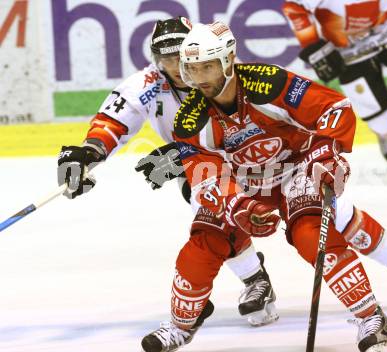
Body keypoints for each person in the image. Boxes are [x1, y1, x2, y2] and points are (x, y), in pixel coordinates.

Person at [141, 21, 387, 352]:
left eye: (207, 67)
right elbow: (204, 172)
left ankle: (374, 318)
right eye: (192, 70)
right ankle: (182, 325)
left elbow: (333, 108)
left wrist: (327, 152)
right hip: (245, 182)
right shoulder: (190, 118)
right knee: (205, 239)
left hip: (298, 168)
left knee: (313, 231)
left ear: (228, 60)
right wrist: (238, 205)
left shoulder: (268, 82)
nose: (200, 79)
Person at [56, 17, 279, 329]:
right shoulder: (149, 83)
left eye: (180, 56)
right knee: (208, 207)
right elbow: (115, 120)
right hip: (202, 165)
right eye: (166, 59)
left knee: (308, 220)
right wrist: (89, 153)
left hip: (261, 156)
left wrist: (180, 152)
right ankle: (256, 280)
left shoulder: (221, 72)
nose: (175, 67)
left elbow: (245, 128)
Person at [282, 0, 387, 164]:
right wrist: (313, 46)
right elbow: (295, 8)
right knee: (380, 119)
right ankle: (385, 133)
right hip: (345, 48)